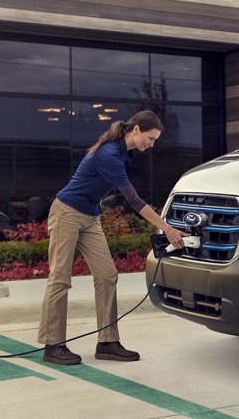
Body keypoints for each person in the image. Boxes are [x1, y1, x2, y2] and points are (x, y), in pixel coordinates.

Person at [37, 110, 187, 365]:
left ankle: (107, 342)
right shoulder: (109, 155)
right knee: (60, 278)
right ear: (136, 129)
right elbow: (134, 201)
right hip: (67, 213)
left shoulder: (122, 152)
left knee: (107, 275)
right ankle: (53, 345)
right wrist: (167, 228)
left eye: (154, 141)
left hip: (90, 216)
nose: (150, 146)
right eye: (149, 139)